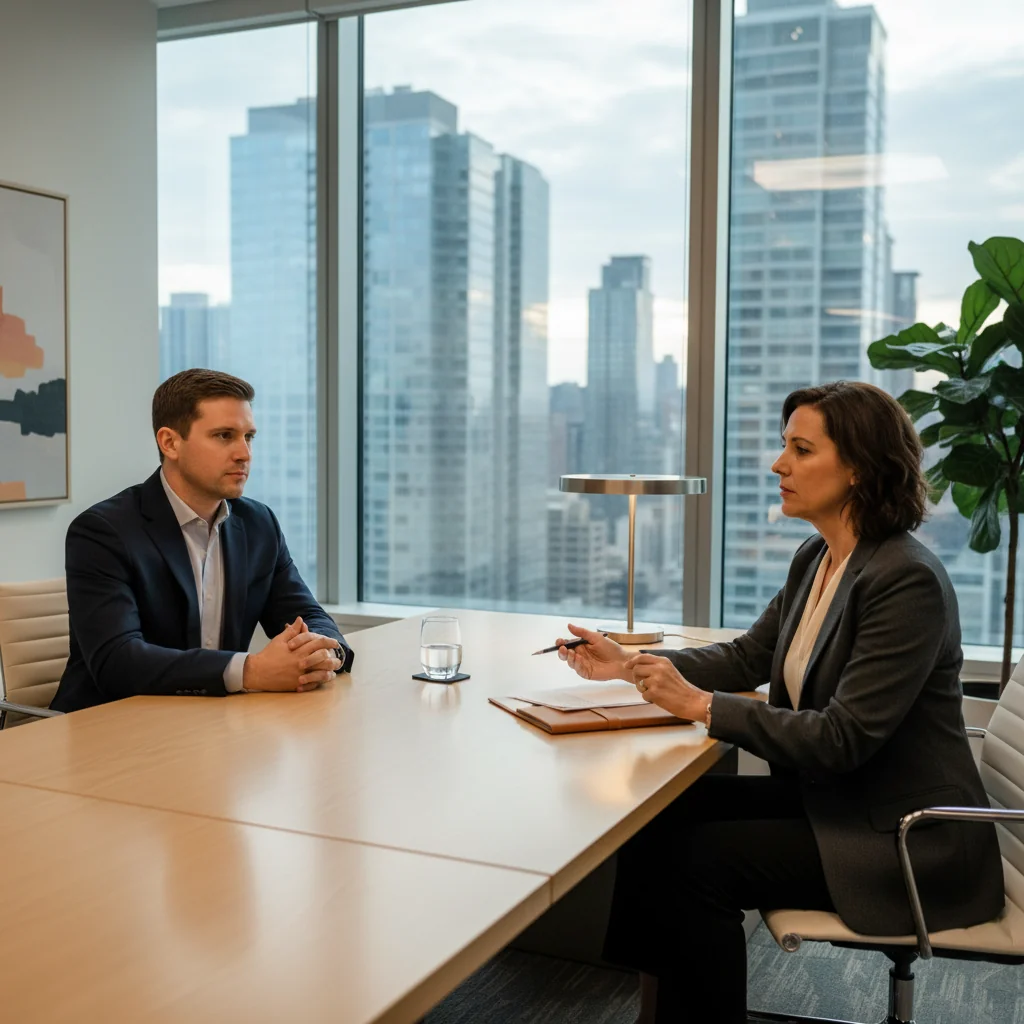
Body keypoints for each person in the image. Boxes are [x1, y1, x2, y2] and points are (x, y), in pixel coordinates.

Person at [556, 381, 1004, 1023]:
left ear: (858, 467)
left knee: (692, 867)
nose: (778, 465)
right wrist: (629, 666)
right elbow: (746, 657)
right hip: (844, 802)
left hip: (908, 838)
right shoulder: (821, 556)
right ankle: (659, 1008)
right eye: (782, 445)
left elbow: (841, 739)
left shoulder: (904, 580)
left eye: (800, 448)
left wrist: (700, 707)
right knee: (654, 819)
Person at [51, 368, 352, 713]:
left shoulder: (258, 523)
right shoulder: (103, 531)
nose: (244, 453)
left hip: (213, 723)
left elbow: (306, 613)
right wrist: (251, 671)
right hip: (109, 728)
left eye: (249, 437)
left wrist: (325, 652)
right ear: (170, 442)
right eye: (224, 436)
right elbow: (118, 661)